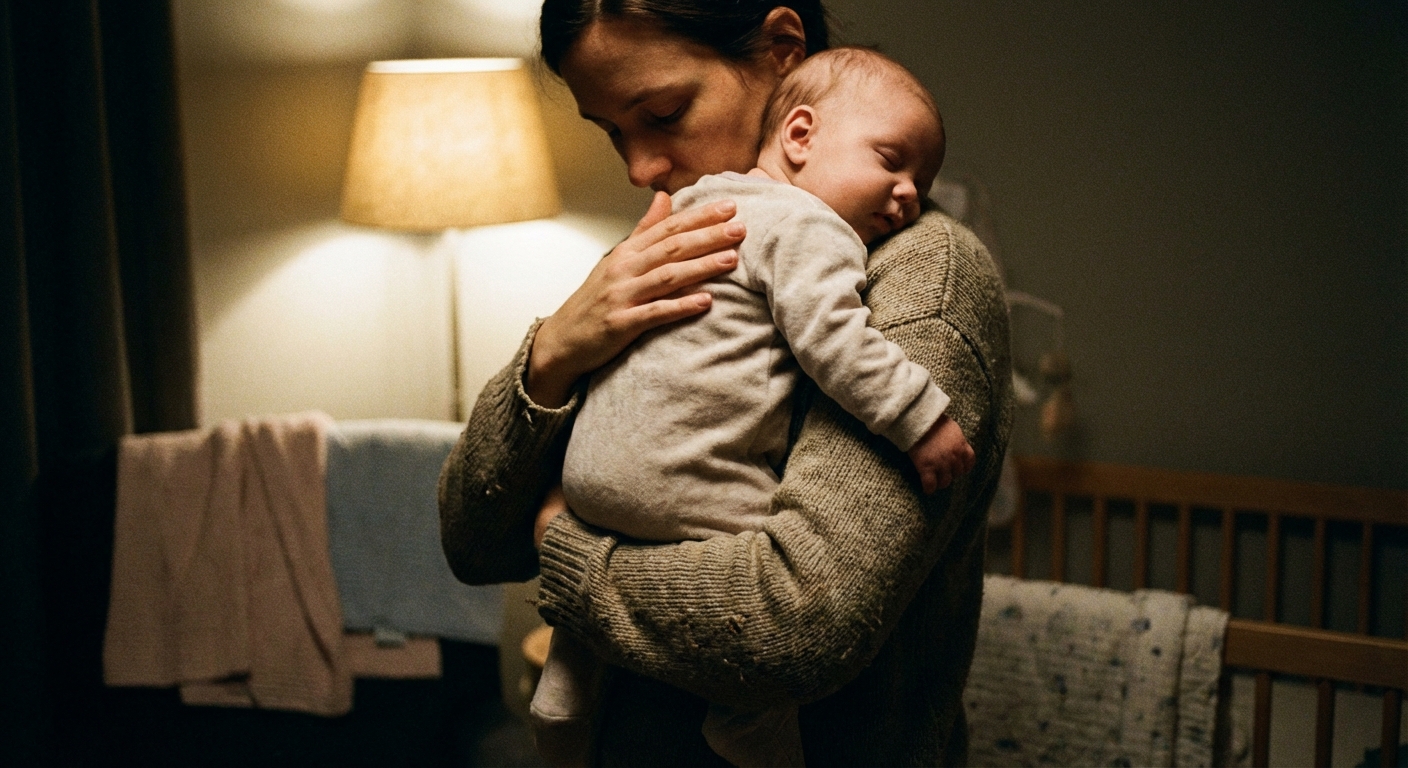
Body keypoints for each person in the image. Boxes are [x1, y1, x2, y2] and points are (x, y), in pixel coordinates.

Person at [438, 2, 1014, 765]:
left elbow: (795, 621)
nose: (640, 168)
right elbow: (473, 545)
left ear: (780, 51)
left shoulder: (919, 275)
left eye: (663, 112)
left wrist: (566, 548)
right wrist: (552, 353)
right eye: (612, 130)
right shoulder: (694, 235)